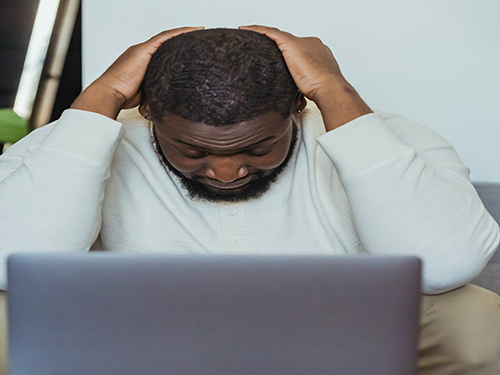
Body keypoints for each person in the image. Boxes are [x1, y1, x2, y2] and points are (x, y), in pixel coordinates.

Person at [0, 26, 499, 374]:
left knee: (476, 318)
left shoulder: (388, 136)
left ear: (298, 108)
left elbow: (448, 265)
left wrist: (334, 89)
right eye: (193, 150)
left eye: (258, 148)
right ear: (148, 112)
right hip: (129, 343)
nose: (228, 172)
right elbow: (9, 265)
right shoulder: (75, 141)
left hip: (334, 341)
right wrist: (101, 97)